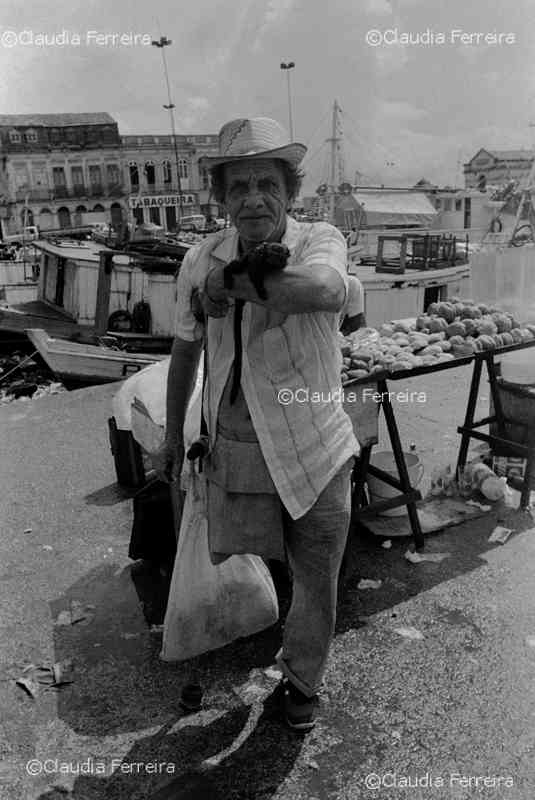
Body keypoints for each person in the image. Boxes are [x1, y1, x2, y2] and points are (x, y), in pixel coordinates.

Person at [154, 116, 359, 732]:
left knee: (316, 572)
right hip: (239, 442)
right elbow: (186, 350)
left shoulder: (319, 238)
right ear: (220, 196)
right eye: (237, 185)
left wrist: (229, 282)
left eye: (266, 183)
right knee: (243, 555)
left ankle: (301, 680)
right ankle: (254, 642)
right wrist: (171, 435)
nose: (252, 198)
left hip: (315, 440)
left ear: (290, 191)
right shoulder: (198, 257)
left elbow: (324, 291)